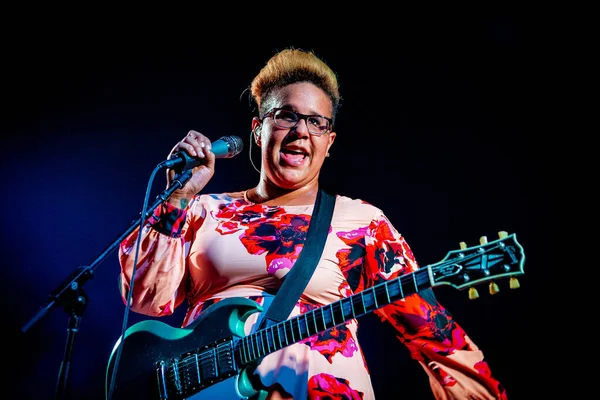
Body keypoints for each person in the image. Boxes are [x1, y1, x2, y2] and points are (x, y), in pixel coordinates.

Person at [117, 47, 507, 399]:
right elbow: (146, 298)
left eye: (317, 123)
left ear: (329, 141)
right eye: (287, 116)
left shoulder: (362, 223)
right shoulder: (201, 209)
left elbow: (433, 334)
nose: (302, 130)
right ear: (258, 129)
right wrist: (177, 198)